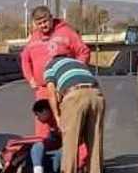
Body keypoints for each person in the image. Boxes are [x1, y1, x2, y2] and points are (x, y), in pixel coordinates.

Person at [20, 7, 91, 136]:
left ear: (51, 18)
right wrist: (30, 78)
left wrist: (75, 73)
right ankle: (42, 152)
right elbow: (25, 59)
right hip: (42, 89)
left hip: (64, 87)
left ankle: (77, 154)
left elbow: (84, 52)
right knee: (43, 124)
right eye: (39, 23)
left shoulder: (67, 32)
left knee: (69, 122)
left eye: (45, 21)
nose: (43, 26)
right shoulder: (34, 37)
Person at [42, 55, 105, 173]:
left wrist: (57, 116)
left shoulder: (50, 66)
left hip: (74, 95)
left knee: (70, 140)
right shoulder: (78, 63)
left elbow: (51, 94)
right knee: (95, 139)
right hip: (96, 94)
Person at [27, 99, 89, 173]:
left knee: (54, 155)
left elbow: (83, 146)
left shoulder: (64, 122)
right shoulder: (51, 124)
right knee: (37, 146)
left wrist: (78, 165)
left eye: (37, 114)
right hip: (63, 156)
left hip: (70, 159)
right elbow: (52, 143)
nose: (37, 118)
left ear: (45, 111)